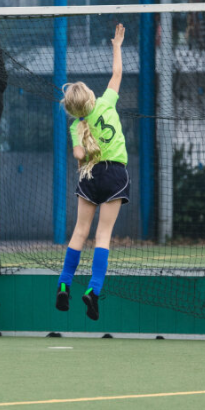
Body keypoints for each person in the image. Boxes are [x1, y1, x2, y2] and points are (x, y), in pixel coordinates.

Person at [55, 23, 129, 321]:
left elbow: (78, 154)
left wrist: (83, 150)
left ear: (73, 110)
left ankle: (64, 283)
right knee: (103, 236)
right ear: (90, 97)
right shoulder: (106, 103)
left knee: (79, 232)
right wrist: (116, 46)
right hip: (115, 175)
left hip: (90, 176)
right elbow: (117, 75)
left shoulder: (76, 127)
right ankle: (93, 290)